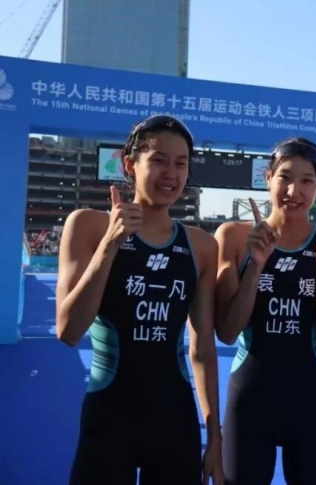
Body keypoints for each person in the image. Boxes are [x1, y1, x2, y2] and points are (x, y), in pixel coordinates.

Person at [55, 115, 224, 484]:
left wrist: (215, 436)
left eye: (181, 163)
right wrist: (110, 245)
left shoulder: (201, 246)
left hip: (174, 419)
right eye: (159, 160)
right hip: (108, 415)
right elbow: (69, 331)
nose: (171, 174)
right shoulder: (88, 226)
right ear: (130, 165)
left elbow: (202, 349)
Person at [214, 137, 316, 484]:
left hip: (310, 403)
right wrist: (256, 265)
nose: (294, 191)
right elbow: (228, 332)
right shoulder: (234, 238)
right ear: (268, 179)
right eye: (285, 177)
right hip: (249, 400)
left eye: (307, 180)